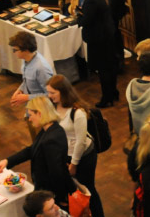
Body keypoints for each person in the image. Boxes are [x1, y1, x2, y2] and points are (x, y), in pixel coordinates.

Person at [0, 97, 76, 209]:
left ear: (40, 114)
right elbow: (32, 149)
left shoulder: (52, 138)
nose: (30, 119)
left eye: (31, 115)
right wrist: (7, 161)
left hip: (52, 193)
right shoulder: (48, 129)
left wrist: (60, 198)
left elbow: (56, 173)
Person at [46, 75, 104, 217]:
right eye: (48, 92)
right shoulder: (53, 105)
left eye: (53, 93)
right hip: (66, 153)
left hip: (83, 156)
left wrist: (74, 164)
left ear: (63, 91)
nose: (49, 96)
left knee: (87, 188)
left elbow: (80, 141)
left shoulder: (78, 112)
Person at [76, 0, 119, 107]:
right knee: (110, 67)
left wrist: (78, 17)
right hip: (107, 36)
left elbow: (86, 21)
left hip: (98, 39)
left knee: (103, 71)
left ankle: (106, 98)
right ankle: (113, 92)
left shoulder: (90, 0)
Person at [9, 31, 54, 109]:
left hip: (43, 109)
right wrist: (20, 89)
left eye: (15, 50)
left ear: (26, 50)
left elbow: (50, 94)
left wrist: (27, 97)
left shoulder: (41, 68)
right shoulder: (26, 59)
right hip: (32, 105)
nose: (13, 53)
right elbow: (27, 79)